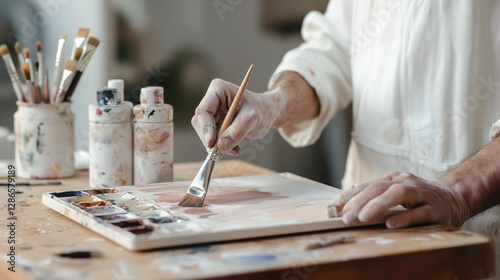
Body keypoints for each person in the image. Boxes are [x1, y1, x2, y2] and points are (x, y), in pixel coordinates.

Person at [192, 0, 500, 263]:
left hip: (479, 229)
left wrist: (458, 193)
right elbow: (336, 49)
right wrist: (274, 103)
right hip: (364, 224)